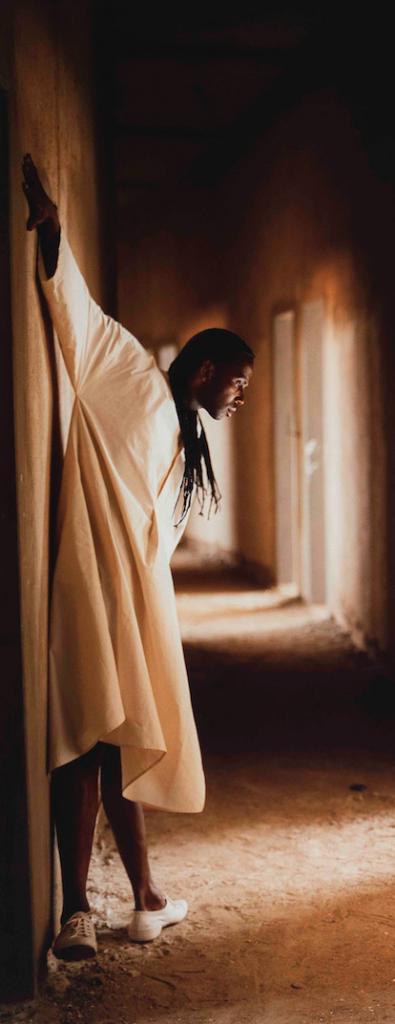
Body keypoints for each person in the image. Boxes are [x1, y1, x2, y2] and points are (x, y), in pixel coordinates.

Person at [22, 153, 255, 960]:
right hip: (88, 584)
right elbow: (79, 318)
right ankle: (77, 911)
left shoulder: (188, 439)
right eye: (237, 382)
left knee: (121, 736)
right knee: (85, 735)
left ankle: (147, 897)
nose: (239, 396)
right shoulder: (128, 376)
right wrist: (54, 234)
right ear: (204, 368)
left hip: (139, 604)